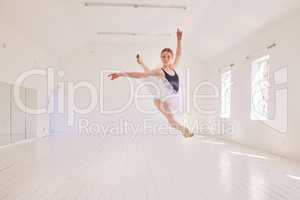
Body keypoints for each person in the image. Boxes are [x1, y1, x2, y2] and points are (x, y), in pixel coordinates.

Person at [108, 29, 193, 138]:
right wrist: (121, 74)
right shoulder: (160, 71)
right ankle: (184, 130)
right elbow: (140, 75)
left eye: (168, 56)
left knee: (150, 78)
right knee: (170, 119)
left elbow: (179, 55)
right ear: (161, 58)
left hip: (173, 96)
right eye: (163, 56)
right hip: (163, 98)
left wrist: (179, 40)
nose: (166, 58)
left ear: (171, 58)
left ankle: (142, 63)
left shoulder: (173, 67)